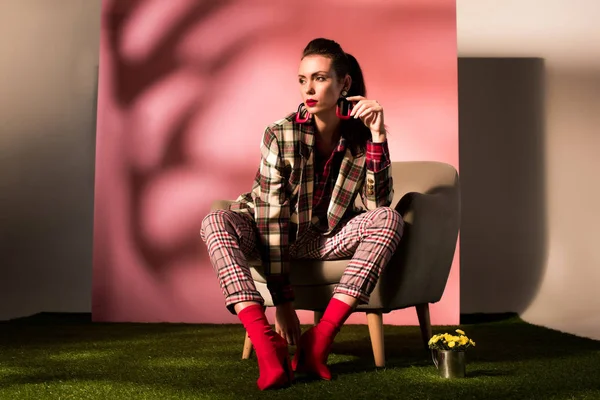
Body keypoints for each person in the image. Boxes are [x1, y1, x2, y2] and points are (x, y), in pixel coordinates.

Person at [200, 38, 403, 390]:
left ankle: (320, 341)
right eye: (302, 79)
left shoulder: (360, 139)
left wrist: (377, 136)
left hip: (323, 239)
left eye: (320, 78)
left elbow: (377, 205)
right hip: (270, 233)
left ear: (345, 83)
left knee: (390, 219)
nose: (309, 88)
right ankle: (266, 344)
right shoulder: (281, 133)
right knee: (214, 220)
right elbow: (270, 218)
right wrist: (283, 303)